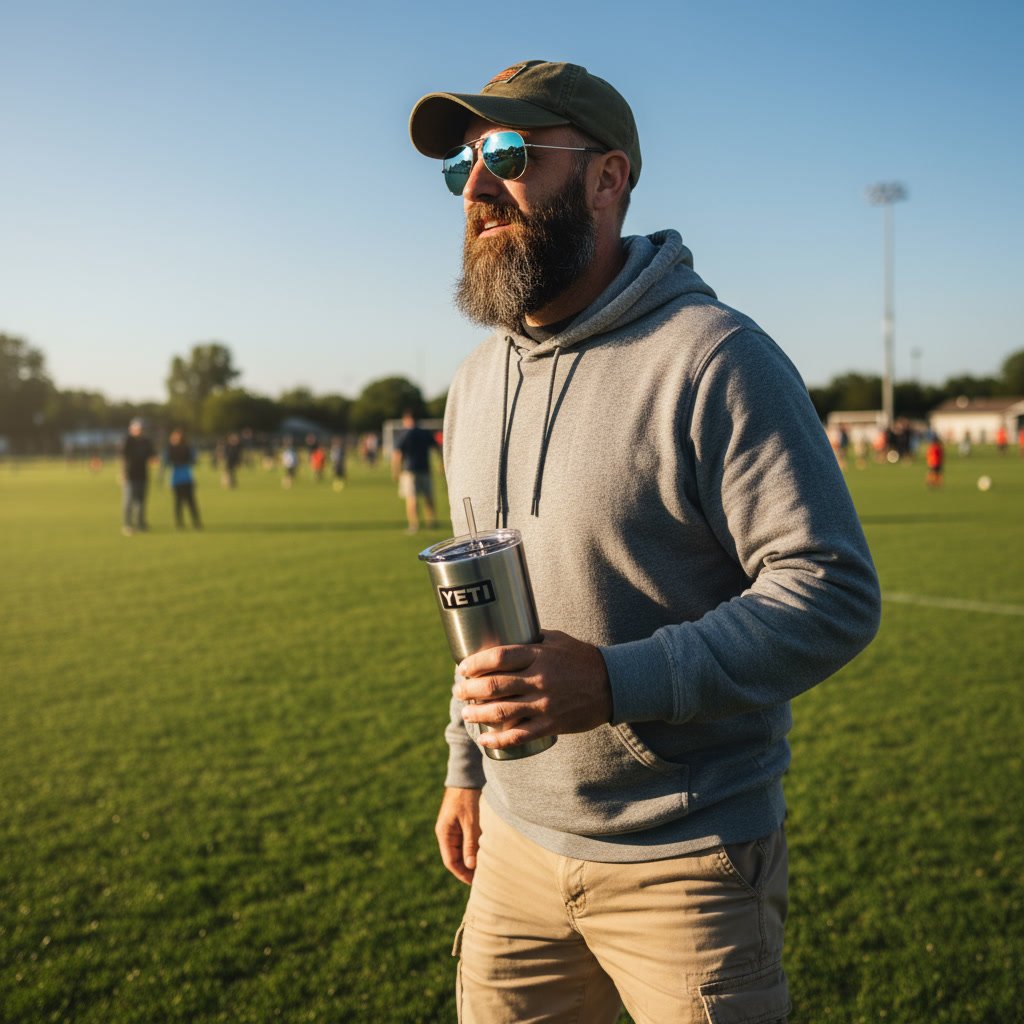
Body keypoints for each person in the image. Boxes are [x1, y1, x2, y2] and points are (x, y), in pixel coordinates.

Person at [409, 59, 881, 1024]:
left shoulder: (713, 356)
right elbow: (483, 602)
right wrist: (467, 769)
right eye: (464, 167)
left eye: (508, 154)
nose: (481, 189)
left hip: (688, 864)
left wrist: (616, 682)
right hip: (511, 851)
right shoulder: (473, 380)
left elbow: (830, 588)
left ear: (607, 178)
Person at [391, 410, 439, 533]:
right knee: (428, 496)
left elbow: (397, 454)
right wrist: (441, 464)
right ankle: (432, 521)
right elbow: (437, 448)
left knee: (412, 498)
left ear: (406, 420)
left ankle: (414, 525)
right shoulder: (425, 433)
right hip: (425, 468)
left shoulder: (404, 434)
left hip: (409, 470)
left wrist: (395, 471)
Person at [119, 418, 154, 535]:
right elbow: (123, 458)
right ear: (131, 429)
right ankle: (127, 524)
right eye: (138, 428)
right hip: (130, 475)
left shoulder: (146, 441)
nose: (140, 430)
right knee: (128, 501)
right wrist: (123, 473)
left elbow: (152, 455)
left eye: (141, 428)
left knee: (140, 501)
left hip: (142, 475)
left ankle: (140, 523)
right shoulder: (128, 441)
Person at [165, 428, 202, 529]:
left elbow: (194, 460)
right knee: (178, 502)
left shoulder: (187, 448)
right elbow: (166, 461)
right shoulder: (170, 449)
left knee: (191, 501)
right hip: (176, 479)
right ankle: (179, 523)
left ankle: (196, 522)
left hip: (187, 478)